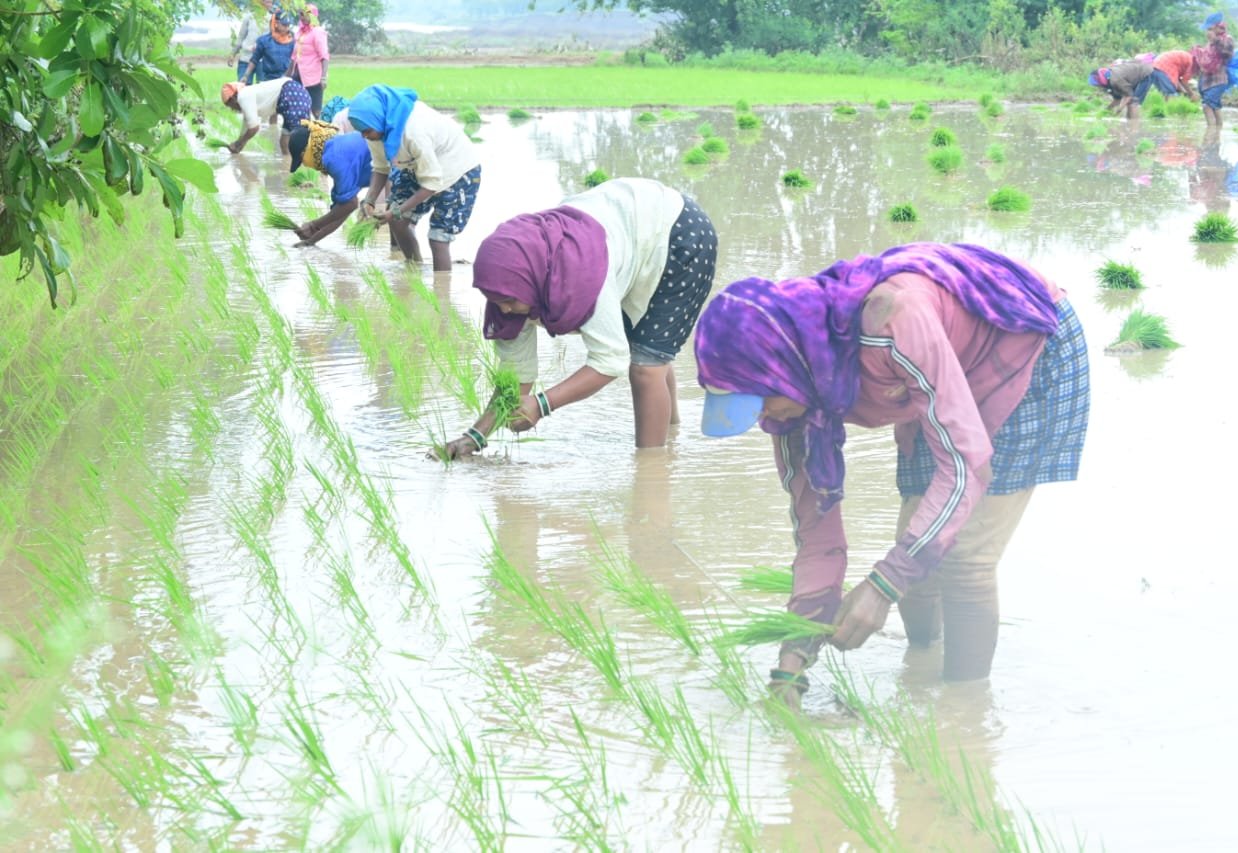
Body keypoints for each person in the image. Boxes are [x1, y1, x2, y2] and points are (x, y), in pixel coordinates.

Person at [693, 243, 1089, 707]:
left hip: (1023, 337)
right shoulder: (792, 404)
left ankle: (963, 716)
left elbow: (966, 465)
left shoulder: (892, 322)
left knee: (964, 557)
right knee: (917, 549)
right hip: (930, 369)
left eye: (762, 403)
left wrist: (882, 586)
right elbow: (818, 538)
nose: (765, 418)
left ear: (783, 370)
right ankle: (922, 666)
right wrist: (792, 663)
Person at [438, 177, 718, 459]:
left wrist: (542, 404)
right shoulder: (510, 294)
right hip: (625, 231)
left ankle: (653, 467)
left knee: (647, 364)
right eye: (496, 301)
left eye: (509, 301)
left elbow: (610, 360)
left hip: (677, 231)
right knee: (647, 352)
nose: (505, 310)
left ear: (531, 281)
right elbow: (516, 377)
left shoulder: (581, 278)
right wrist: (474, 437)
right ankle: (670, 432)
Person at [347, 85, 483, 270]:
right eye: (361, 131)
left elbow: (431, 184)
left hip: (458, 172)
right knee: (398, 222)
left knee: (438, 238)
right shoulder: (376, 131)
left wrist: (396, 211)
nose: (364, 136)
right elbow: (381, 168)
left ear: (378, 118)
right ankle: (413, 271)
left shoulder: (414, 132)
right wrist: (369, 201)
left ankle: (441, 286)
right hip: (417, 167)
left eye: (367, 131)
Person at [286, 120, 373, 246]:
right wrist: (310, 241)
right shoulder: (334, 147)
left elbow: (350, 204)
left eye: (302, 160)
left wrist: (313, 225)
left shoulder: (333, 159)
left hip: (397, 167)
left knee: (398, 221)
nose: (305, 165)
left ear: (307, 151)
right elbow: (341, 210)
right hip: (390, 171)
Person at [221, 77, 312, 155]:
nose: (232, 109)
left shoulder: (243, 96)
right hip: (294, 94)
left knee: (299, 142)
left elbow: (254, 128)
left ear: (233, 99)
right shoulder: (247, 98)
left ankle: (313, 163)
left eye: (230, 106)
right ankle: (288, 167)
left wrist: (238, 143)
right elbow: (246, 129)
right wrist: (239, 145)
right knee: (284, 143)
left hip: (292, 95)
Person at [286, 4, 329, 119]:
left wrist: (323, 78)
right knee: (297, 106)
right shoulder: (300, 32)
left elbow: (324, 56)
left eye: (305, 14)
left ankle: (318, 128)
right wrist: (287, 75)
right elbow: (294, 56)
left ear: (313, 15)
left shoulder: (318, 32)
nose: (302, 17)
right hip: (298, 74)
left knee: (315, 110)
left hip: (314, 77)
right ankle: (300, 128)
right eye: (300, 14)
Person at [1193, 11, 1235, 126]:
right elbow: (1206, 61)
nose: (1207, 32)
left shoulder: (1226, 39)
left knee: (1207, 106)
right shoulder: (1210, 43)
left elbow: (1227, 54)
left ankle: (1211, 131)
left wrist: (1216, 40)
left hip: (1218, 80)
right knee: (1215, 107)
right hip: (1206, 81)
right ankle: (1218, 132)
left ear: (1217, 28)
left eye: (1210, 29)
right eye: (1207, 30)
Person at [240, 8, 295, 84]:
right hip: (268, 80)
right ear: (276, 23)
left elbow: (294, 61)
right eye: (284, 25)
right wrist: (245, 76)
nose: (287, 28)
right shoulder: (264, 41)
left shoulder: (292, 41)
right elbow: (254, 60)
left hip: (286, 80)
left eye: (288, 25)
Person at [1088, 59, 1155, 119]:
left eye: (1098, 85)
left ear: (1101, 80)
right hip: (1133, 78)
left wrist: (1118, 111)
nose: (1098, 87)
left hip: (1145, 73)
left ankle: (1134, 124)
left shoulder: (1115, 80)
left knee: (1133, 101)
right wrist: (1107, 110)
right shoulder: (1108, 82)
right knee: (1130, 102)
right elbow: (1117, 99)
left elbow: (1128, 95)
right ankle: (1130, 121)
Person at [226, 2, 261, 85]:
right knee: (243, 87)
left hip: (263, 60)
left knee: (263, 88)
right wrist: (233, 54)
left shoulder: (273, 18)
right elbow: (241, 37)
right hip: (246, 58)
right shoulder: (249, 17)